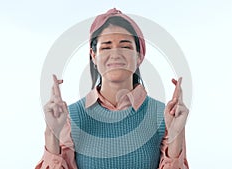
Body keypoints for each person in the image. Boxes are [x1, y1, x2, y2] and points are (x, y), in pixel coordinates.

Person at [36, 8, 189, 169]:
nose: (115, 53)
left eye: (125, 46)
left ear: (139, 55)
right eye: (106, 47)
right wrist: (52, 132)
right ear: (93, 56)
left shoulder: (163, 115)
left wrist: (175, 135)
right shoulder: (71, 117)